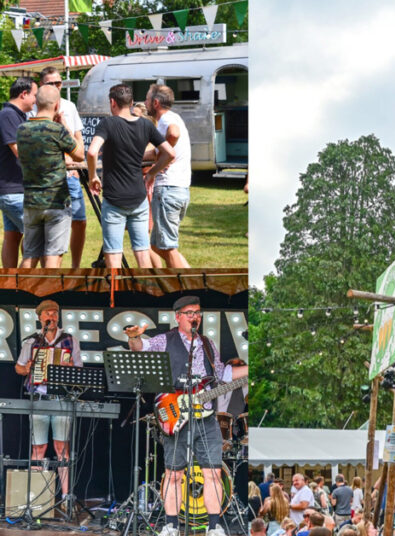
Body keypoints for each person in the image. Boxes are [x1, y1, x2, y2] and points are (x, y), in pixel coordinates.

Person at [126, 295, 247, 536]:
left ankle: (214, 527)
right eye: (190, 313)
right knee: (173, 473)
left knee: (212, 472)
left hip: (207, 415)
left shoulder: (208, 344)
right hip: (176, 411)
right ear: (178, 316)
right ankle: (171, 525)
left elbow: (222, 373)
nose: (195, 317)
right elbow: (141, 349)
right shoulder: (165, 339)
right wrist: (134, 336)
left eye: (198, 313)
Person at [86, 83, 174, 268]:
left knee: (113, 253)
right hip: (139, 197)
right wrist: (152, 173)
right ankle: (148, 293)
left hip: (114, 198)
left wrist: (93, 176)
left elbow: (92, 152)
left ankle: (115, 295)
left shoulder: (107, 124)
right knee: (142, 251)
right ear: (132, 102)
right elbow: (169, 153)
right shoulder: (145, 125)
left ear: (112, 102)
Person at [13, 300, 81, 497]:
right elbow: (18, 367)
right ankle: (37, 496)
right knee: (39, 447)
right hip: (39, 398)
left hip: (61, 398)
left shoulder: (70, 340)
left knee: (62, 448)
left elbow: (79, 367)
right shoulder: (32, 341)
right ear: (40, 317)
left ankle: (66, 496)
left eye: (54, 313)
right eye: (47, 314)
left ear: (58, 317)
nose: (51, 316)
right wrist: (26, 369)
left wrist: (71, 370)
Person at [17, 84, 84, 268]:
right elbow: (79, 154)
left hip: (31, 202)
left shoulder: (22, 130)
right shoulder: (57, 130)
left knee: (30, 255)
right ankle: (51, 295)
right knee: (53, 256)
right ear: (56, 106)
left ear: (36, 103)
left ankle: (21, 294)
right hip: (56, 202)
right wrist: (64, 125)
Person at [35, 67, 86, 268]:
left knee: (80, 221)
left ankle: (75, 268)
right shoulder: (36, 107)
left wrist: (76, 164)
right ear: (42, 85)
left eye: (59, 83)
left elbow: (78, 140)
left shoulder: (69, 106)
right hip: (46, 177)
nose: (56, 86)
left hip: (71, 173)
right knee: (47, 230)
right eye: (51, 83)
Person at [144, 84, 192, 267]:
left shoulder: (165, 121)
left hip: (168, 189)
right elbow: (156, 152)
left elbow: (173, 134)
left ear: (155, 103)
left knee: (168, 247)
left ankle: (188, 288)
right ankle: (189, 274)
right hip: (179, 189)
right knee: (157, 246)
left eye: (147, 99)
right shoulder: (175, 117)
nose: (145, 103)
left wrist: (153, 171)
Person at [0, 77, 37, 267]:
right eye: (35, 95)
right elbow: (20, 151)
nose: (36, 100)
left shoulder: (18, 115)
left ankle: (8, 286)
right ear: (24, 94)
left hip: (14, 189)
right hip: (13, 191)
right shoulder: (8, 115)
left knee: (13, 236)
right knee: (37, 239)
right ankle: (23, 284)